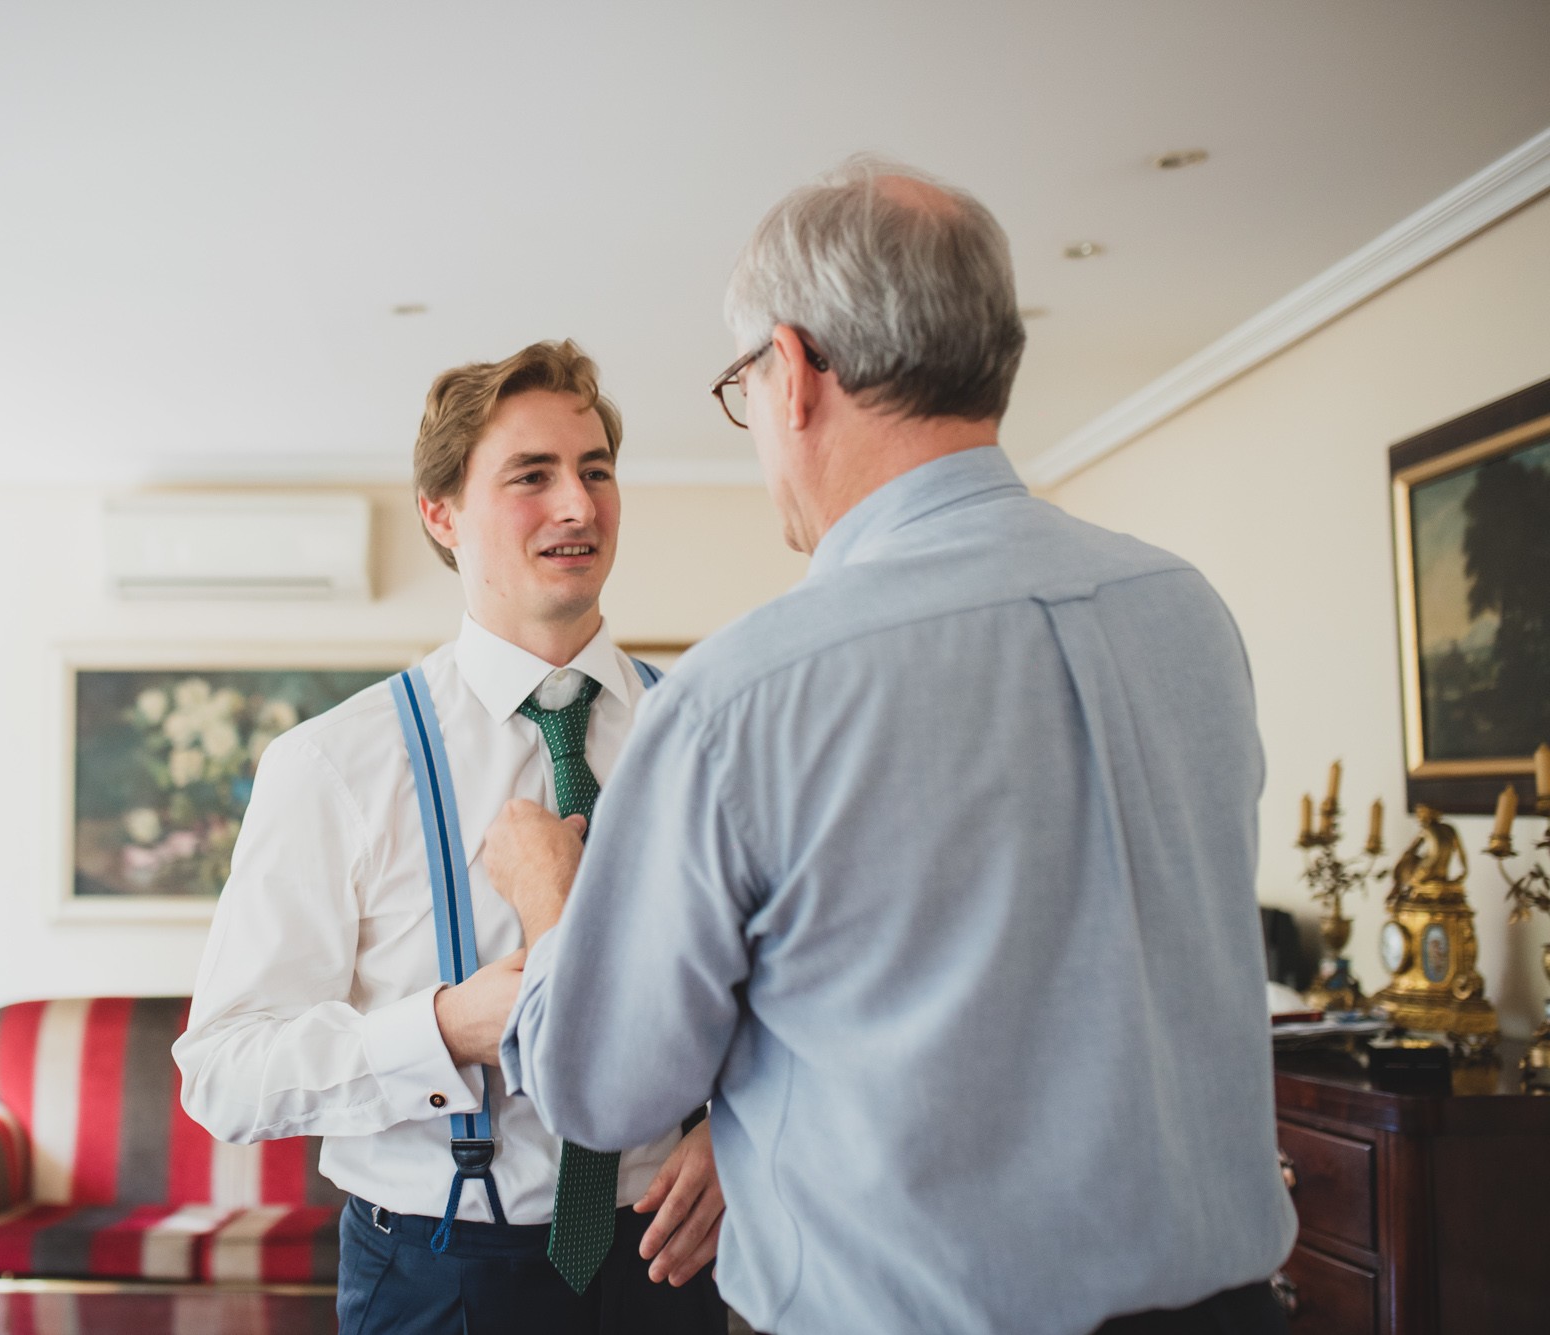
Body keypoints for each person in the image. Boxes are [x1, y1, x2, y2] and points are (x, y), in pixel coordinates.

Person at [487, 160, 1299, 1335]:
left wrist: (553, 901)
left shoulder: (737, 698)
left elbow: (601, 1087)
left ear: (793, 369)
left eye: (742, 385)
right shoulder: (1183, 611)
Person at [173, 340, 729, 1335]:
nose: (578, 504)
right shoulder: (334, 763)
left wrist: (737, 1135)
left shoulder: (712, 732)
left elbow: (799, 995)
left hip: (668, 1256)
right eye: (532, 475)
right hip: (439, 1276)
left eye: (596, 470)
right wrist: (443, 1030)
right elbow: (224, 1072)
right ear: (440, 513)